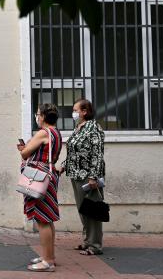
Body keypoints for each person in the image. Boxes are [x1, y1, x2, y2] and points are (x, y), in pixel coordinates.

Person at [17, 103, 62, 272]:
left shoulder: (43, 132)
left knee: (42, 221)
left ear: (43, 116)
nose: (36, 117)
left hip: (39, 179)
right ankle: (49, 256)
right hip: (49, 177)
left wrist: (23, 149)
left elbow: (25, 153)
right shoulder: (56, 133)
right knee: (47, 219)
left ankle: (47, 262)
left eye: (38, 114)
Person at [60, 98, 106, 256]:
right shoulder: (78, 128)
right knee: (83, 210)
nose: (73, 113)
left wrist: (93, 176)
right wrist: (63, 166)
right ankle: (87, 241)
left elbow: (97, 154)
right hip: (75, 174)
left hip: (88, 176)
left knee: (92, 210)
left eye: (75, 110)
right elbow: (73, 152)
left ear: (85, 111)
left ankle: (95, 246)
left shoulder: (94, 128)